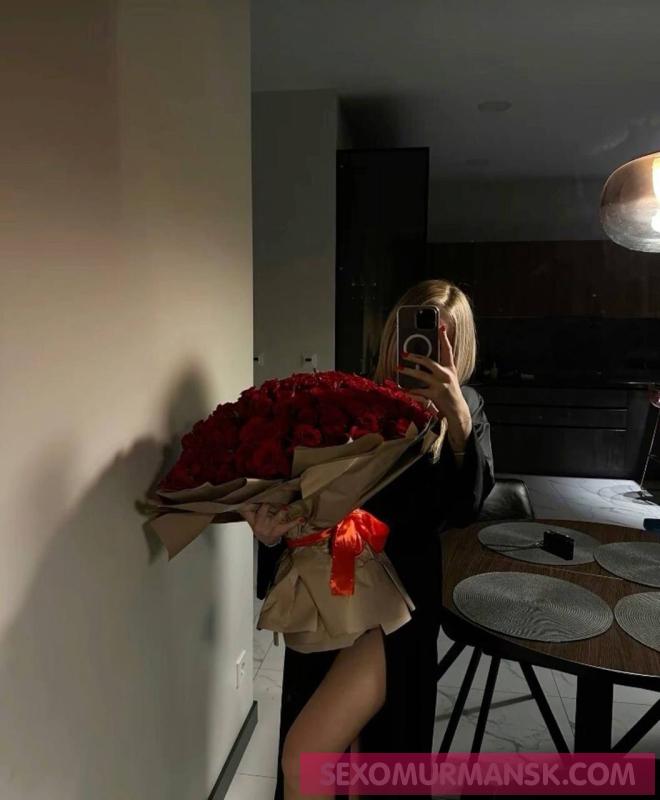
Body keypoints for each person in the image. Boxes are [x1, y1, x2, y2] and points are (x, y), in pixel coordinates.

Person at [243, 279, 495, 800]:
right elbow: (307, 503)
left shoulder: (467, 410)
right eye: (414, 332)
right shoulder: (350, 403)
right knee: (346, 766)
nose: (424, 348)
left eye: (441, 337)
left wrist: (456, 418)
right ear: (392, 336)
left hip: (396, 606)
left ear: (460, 346)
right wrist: (269, 536)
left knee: (316, 756)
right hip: (330, 588)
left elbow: (464, 509)